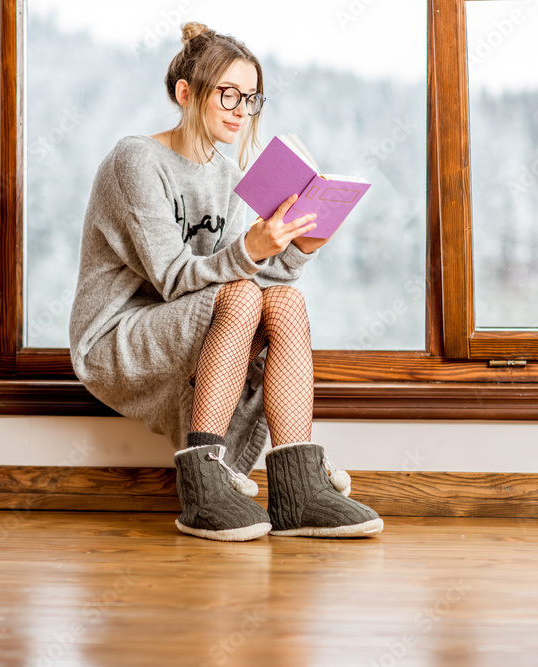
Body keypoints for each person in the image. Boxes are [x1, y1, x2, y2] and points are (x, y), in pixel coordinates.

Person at [69, 21, 383, 542]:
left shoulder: (229, 173)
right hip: (116, 335)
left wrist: (298, 250)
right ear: (186, 93)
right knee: (240, 295)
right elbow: (174, 278)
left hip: (197, 317)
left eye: (252, 98)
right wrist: (251, 249)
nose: (241, 110)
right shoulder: (136, 161)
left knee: (284, 301)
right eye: (228, 94)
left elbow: (241, 271)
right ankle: (205, 488)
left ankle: (298, 488)